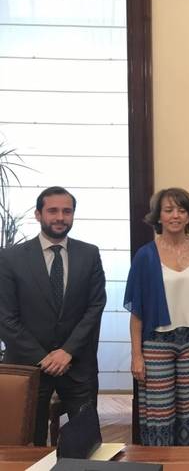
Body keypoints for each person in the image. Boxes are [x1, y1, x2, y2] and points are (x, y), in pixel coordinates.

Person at [0, 186, 106, 445]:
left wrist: (67, 351)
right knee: (27, 442)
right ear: (38, 214)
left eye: (67, 211)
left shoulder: (89, 254)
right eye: (53, 211)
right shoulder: (10, 258)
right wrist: (44, 358)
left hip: (77, 364)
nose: (60, 217)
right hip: (29, 366)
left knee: (87, 443)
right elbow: (5, 317)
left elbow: (95, 306)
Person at [124, 188, 189, 446]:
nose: (175, 215)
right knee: (159, 412)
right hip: (156, 343)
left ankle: (187, 465)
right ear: (158, 216)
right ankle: (159, 463)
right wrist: (136, 355)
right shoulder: (145, 256)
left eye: (182, 210)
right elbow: (137, 311)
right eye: (169, 210)